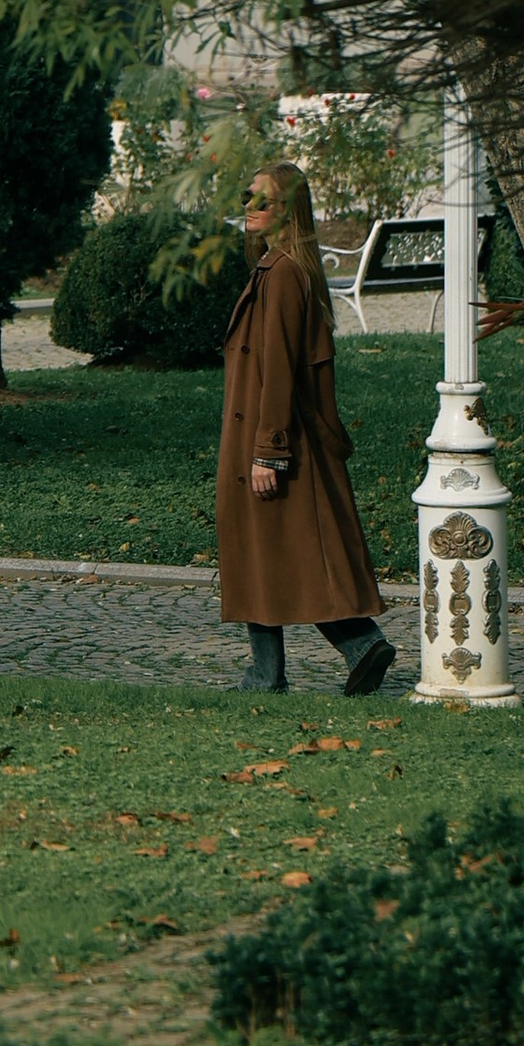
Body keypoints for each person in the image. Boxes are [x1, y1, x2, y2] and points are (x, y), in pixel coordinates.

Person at [217, 159, 396, 696]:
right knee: (262, 553)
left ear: (287, 211)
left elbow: (279, 370)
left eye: (263, 200)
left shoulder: (285, 274)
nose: (249, 207)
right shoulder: (283, 269)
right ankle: (268, 672)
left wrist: (268, 451)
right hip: (264, 435)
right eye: (247, 196)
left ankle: (359, 646)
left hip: (274, 438)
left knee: (284, 555)